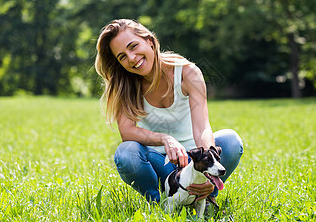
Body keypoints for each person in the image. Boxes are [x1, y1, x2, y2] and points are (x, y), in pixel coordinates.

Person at [95, 19, 243, 205]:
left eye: (133, 46)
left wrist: (206, 172)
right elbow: (127, 131)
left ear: (149, 40)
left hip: (194, 163)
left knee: (230, 140)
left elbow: (202, 128)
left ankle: (203, 197)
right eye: (122, 56)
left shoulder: (188, 73)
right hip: (158, 164)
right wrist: (165, 139)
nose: (131, 58)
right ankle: (161, 203)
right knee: (126, 152)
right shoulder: (125, 85)